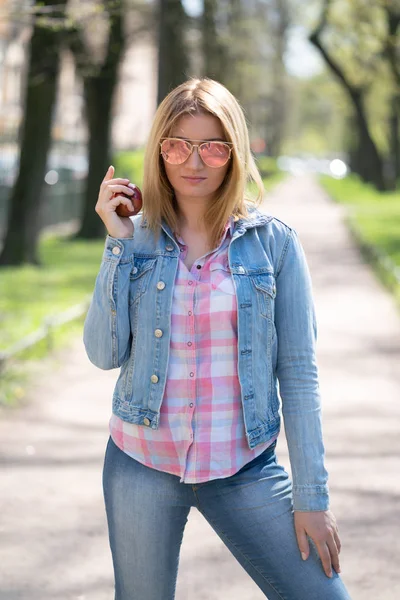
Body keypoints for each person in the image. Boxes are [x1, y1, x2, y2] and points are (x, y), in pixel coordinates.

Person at [83, 77, 352, 600]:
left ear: (234, 152)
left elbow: (298, 373)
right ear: (160, 150)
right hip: (142, 462)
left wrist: (311, 497)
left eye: (212, 146)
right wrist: (117, 245)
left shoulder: (274, 243)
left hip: (243, 466)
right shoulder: (134, 237)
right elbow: (102, 353)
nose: (194, 162)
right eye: (178, 144)